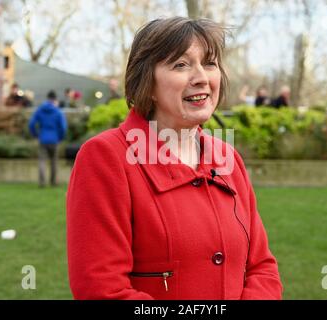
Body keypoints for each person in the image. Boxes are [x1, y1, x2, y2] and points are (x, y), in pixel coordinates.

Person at [66, 17, 282, 300]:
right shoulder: (106, 157)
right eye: (180, 65)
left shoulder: (227, 157)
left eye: (209, 63)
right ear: (147, 82)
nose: (201, 77)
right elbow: (101, 289)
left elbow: (262, 268)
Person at [28, 90, 67, 187]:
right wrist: (60, 137)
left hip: (43, 138)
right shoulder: (58, 111)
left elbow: (31, 124)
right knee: (54, 161)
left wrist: (36, 135)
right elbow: (63, 127)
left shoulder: (40, 110)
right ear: (55, 99)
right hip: (54, 139)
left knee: (42, 161)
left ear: (47, 98)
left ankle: (42, 182)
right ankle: (53, 182)